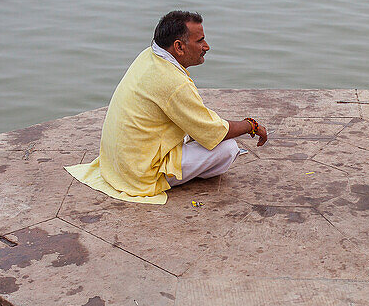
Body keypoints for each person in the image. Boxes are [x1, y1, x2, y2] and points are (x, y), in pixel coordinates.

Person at [66, 11, 267, 204]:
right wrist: (251, 125)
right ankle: (171, 176)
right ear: (179, 47)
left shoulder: (148, 56)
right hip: (140, 173)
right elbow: (214, 132)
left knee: (199, 132)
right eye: (200, 41)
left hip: (117, 164)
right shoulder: (173, 82)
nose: (206, 46)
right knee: (228, 148)